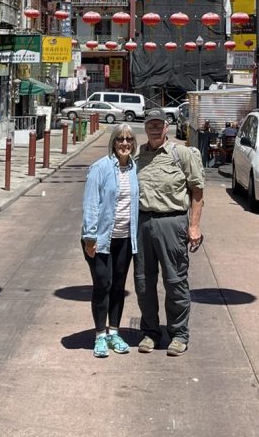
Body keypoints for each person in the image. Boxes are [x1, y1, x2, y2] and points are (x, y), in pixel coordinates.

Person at [134, 108, 204, 356]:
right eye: (150, 124)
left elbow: (197, 191)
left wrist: (194, 226)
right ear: (145, 127)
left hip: (172, 223)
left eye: (159, 124)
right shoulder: (138, 155)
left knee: (175, 282)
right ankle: (151, 332)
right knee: (143, 282)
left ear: (167, 127)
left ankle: (178, 334)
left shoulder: (182, 154)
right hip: (142, 224)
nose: (154, 129)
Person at [81, 123, 139, 358]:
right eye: (120, 139)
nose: (124, 143)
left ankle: (114, 331)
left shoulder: (135, 169)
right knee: (102, 285)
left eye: (128, 140)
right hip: (100, 239)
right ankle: (99, 336)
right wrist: (90, 237)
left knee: (118, 287)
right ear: (113, 143)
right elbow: (91, 204)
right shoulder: (100, 168)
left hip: (125, 238)